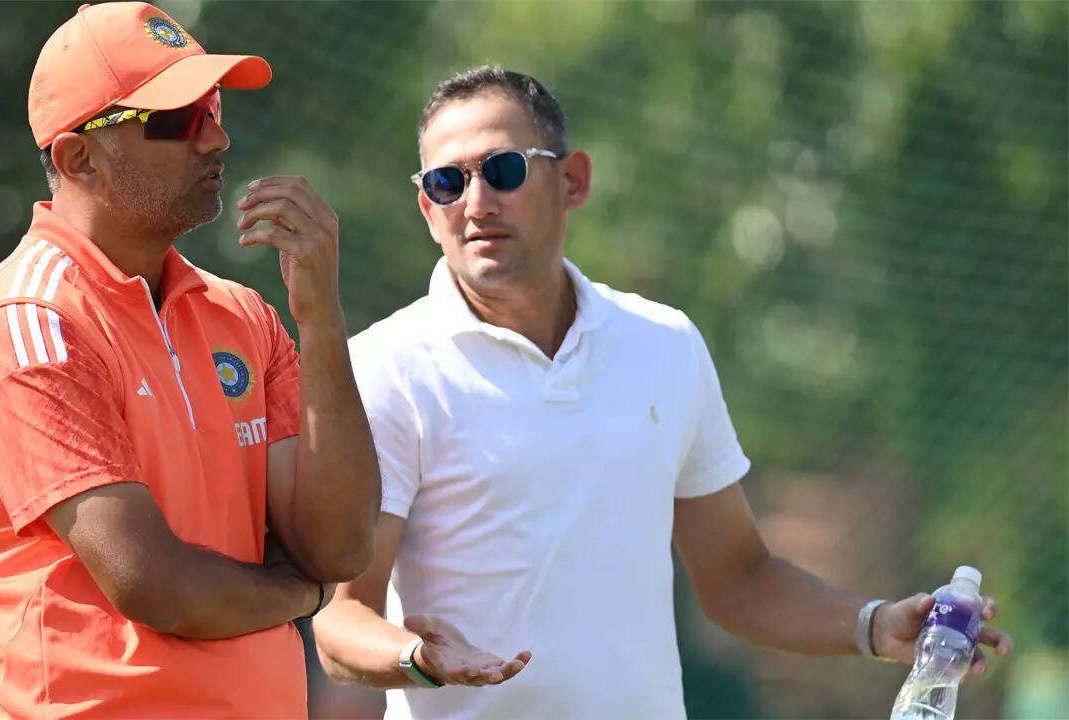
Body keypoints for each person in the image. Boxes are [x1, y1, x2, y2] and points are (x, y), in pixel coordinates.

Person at [310, 66, 1013, 719]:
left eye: (503, 169)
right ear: (426, 207)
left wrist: (873, 625)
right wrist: (420, 659)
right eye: (446, 182)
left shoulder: (663, 343)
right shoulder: (384, 366)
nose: (476, 201)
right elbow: (341, 621)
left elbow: (739, 580)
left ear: (573, 181)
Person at [0, 3, 379, 717]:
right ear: (79, 159)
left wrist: (321, 318)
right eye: (176, 118)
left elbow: (340, 547)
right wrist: (301, 595)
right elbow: (156, 585)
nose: (216, 137)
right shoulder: (29, 322)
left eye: (213, 108)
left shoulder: (244, 315)